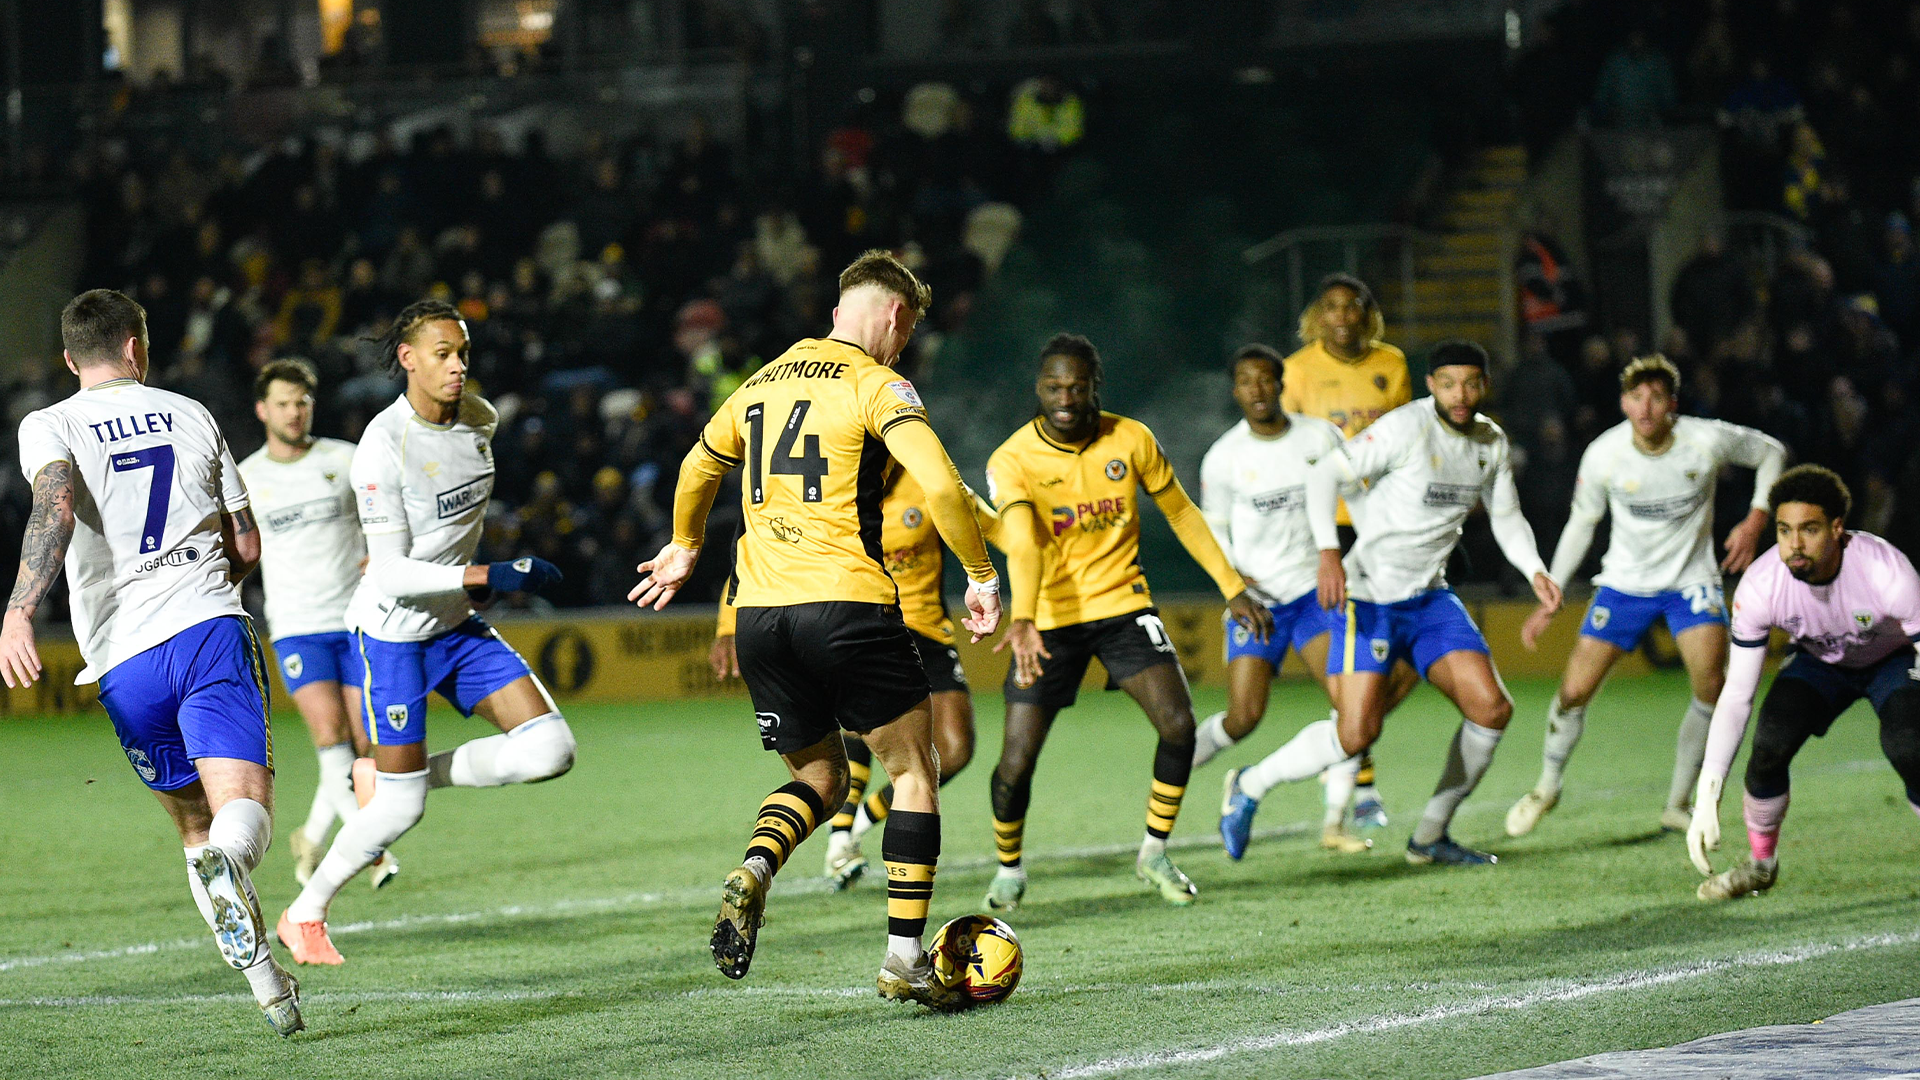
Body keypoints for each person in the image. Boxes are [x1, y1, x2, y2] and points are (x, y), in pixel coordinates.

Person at [631, 250, 1001, 1008]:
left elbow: (700, 467)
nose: (902, 348)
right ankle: (904, 959)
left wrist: (686, 545)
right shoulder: (878, 382)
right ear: (894, 317)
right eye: (906, 333)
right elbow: (937, 482)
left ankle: (757, 867)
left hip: (763, 616)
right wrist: (983, 576)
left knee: (821, 777)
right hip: (847, 603)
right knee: (913, 770)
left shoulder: (760, 382)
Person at [0, 289, 301, 1034]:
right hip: (204, 630)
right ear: (136, 345)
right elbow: (248, 541)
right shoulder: (192, 413)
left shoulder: (49, 421)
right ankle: (243, 895)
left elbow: (55, 508)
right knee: (240, 816)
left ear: (72, 359)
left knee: (196, 831)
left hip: (120, 661)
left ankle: (270, 991)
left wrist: (17, 610)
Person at [274, 300, 576, 966]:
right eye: (443, 353)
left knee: (551, 750)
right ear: (407, 359)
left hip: (456, 625)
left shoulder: (481, 420)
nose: (458, 365)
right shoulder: (383, 448)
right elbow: (388, 575)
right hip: (394, 638)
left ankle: (384, 775)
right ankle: (304, 913)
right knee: (400, 812)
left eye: (463, 351)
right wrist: (496, 571)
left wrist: (480, 578)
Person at [1220, 340, 1562, 866]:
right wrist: (1330, 554)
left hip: (1430, 598)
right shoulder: (1406, 428)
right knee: (1357, 730)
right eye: (1448, 383)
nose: (1460, 394)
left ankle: (1430, 836)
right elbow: (1323, 473)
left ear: (1485, 385)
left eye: (1471, 383)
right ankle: (1250, 783)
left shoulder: (1489, 441)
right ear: (1431, 385)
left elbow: (1506, 516)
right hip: (1371, 598)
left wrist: (1535, 569)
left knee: (1491, 709)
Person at [982, 332, 1272, 911]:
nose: (1065, 397)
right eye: (1053, 386)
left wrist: (1233, 587)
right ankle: (1008, 869)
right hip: (1050, 619)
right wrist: (1026, 617)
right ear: (1039, 387)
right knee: (1015, 762)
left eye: (1077, 386)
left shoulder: (1131, 438)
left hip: (1123, 606)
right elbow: (1023, 545)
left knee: (1179, 725)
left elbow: (1183, 513)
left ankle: (1154, 852)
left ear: (1095, 387)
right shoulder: (1012, 459)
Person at [1507, 355, 1785, 837]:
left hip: (1691, 583)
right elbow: (1582, 521)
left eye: (1657, 397)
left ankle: (1678, 802)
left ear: (1672, 404)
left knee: (1711, 690)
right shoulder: (1605, 454)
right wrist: (1552, 584)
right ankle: (1546, 788)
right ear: (1623, 402)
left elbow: (1772, 452)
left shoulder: (1705, 439)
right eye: (1637, 397)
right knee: (1573, 692)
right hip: (1624, 586)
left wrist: (1757, 518)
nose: (1647, 407)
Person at [710, 476, 1002, 891]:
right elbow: (759, 550)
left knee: (953, 750)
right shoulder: (831, 479)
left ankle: (854, 827)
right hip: (861, 623)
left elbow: (997, 529)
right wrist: (727, 624)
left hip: (926, 630)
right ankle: (846, 850)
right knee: (862, 736)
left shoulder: (928, 476)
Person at [1687, 466, 1920, 900]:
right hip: (1819, 662)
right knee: (1770, 741)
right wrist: (1708, 791)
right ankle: (1760, 866)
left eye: (1809, 530)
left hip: (1892, 657)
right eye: (1783, 530)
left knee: (1911, 745)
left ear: (1837, 529)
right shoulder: (1761, 586)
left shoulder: (1887, 572)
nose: (1794, 544)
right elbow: (1737, 694)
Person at [1191, 345, 1365, 854]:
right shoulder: (1224, 457)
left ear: (1281, 383)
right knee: (1243, 717)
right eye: (1247, 382)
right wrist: (1237, 588)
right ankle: (1173, 777)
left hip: (1314, 595)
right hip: (1256, 602)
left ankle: (1336, 821)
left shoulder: (1319, 435)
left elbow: (1356, 496)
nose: (1258, 390)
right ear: (1235, 390)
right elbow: (1213, 531)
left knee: (1350, 705)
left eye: (1266, 379)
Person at [237, 358, 398, 889]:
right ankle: (371, 850)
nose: (294, 412)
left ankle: (311, 836)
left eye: (302, 402)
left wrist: (385, 551)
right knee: (330, 737)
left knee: (364, 747)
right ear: (263, 409)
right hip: (297, 626)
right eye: (283, 403)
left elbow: (389, 512)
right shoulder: (246, 477)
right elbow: (233, 552)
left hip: (357, 618)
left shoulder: (344, 460)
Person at [1271, 273, 1419, 831]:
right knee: (1354, 659)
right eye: (1330, 306)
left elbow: (1405, 438)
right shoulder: (1297, 371)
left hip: (1386, 524)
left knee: (1401, 665)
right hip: (1327, 530)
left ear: (1366, 314)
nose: (1341, 316)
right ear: (1318, 315)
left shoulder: (1393, 364)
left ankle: (1342, 749)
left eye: (1351, 306)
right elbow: (1287, 446)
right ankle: (1358, 782)